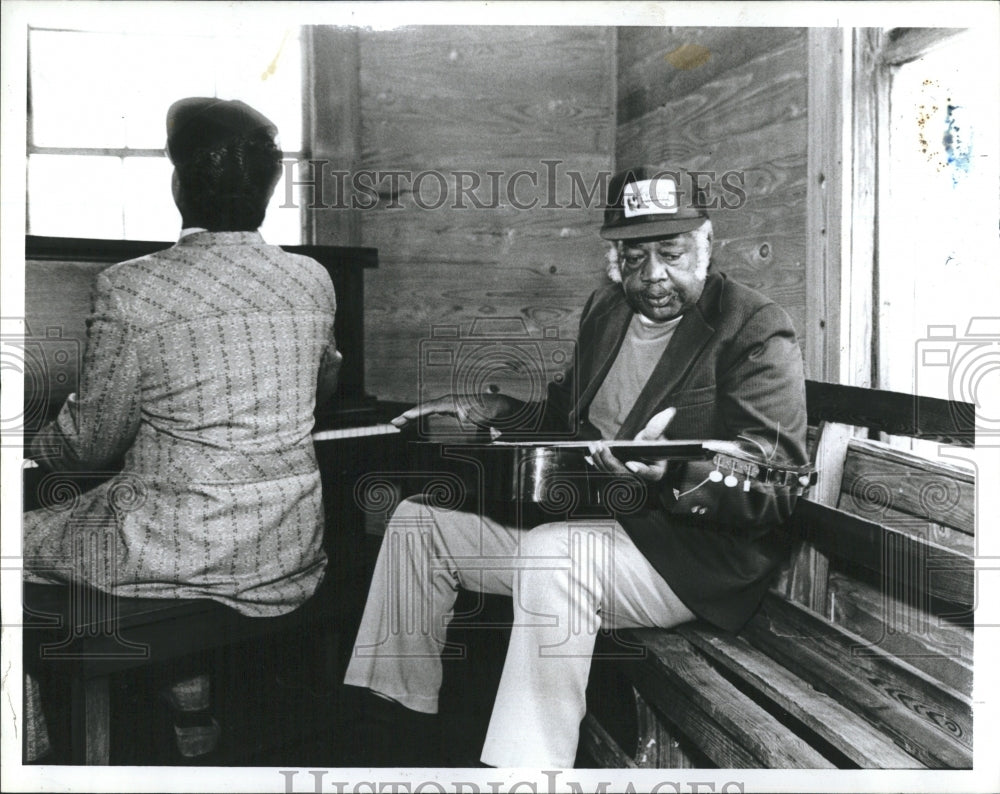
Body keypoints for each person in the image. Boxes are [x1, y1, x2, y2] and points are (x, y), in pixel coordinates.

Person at [343, 165, 809, 769]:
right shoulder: (606, 310)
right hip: (589, 528)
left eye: (671, 253)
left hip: (687, 558)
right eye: (634, 258)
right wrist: (498, 410)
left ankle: (527, 772)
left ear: (707, 243)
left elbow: (776, 483)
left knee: (553, 555)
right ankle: (393, 733)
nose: (653, 275)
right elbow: (567, 416)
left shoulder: (753, 326)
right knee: (418, 524)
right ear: (615, 258)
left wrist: (671, 474)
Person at [23, 97, 341, 760]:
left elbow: (89, 443)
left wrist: (28, 443)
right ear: (268, 188)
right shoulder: (312, 279)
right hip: (285, 546)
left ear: (179, 185)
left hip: (181, 546)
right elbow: (320, 387)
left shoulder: (132, 287)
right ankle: (191, 706)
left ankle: (31, 750)